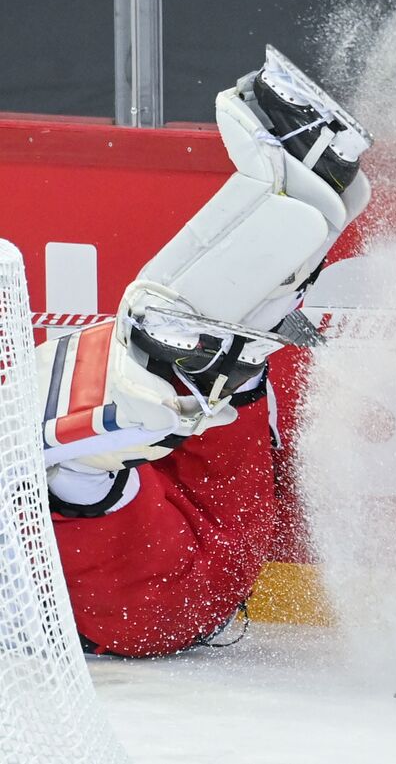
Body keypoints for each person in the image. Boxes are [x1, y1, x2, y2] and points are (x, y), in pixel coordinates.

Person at [37, 48, 372, 657]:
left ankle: (318, 163)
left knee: (202, 359)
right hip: (166, 604)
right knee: (84, 444)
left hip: (225, 550)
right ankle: (312, 171)